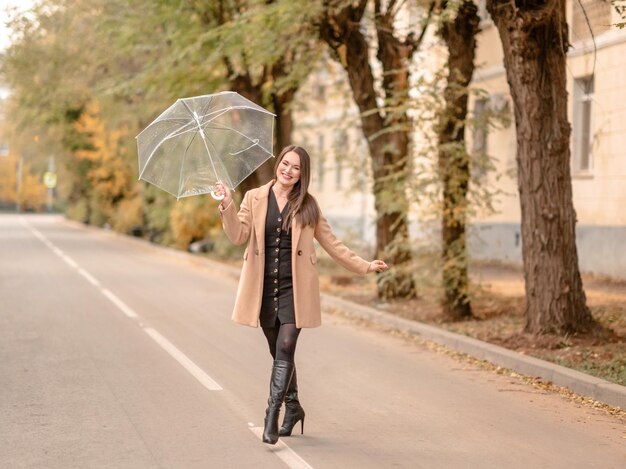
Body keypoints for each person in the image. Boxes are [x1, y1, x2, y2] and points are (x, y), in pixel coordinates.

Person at [215, 145, 388, 445]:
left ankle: (272, 414)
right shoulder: (254, 198)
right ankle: (294, 407)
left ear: (302, 174)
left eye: (296, 167)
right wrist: (227, 205)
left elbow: (333, 244)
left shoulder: (308, 205)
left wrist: (364, 266)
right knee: (276, 350)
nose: (288, 170)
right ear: (278, 165)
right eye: (285, 163)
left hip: (295, 288)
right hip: (264, 288)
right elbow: (238, 235)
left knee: (286, 345)